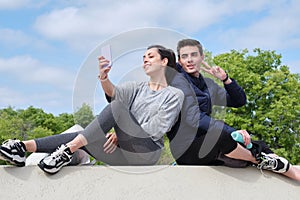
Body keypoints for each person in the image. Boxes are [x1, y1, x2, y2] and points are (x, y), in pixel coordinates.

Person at [0, 45, 184, 174]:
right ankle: (22, 148)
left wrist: (122, 135)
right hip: (121, 156)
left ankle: (67, 150)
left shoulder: (174, 94)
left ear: (164, 62)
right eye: (143, 58)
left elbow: (156, 128)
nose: (145, 61)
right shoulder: (137, 87)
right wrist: (104, 77)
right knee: (85, 135)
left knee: (115, 110)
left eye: (150, 57)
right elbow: (114, 94)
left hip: (146, 154)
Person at [166, 38, 300, 181]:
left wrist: (225, 79)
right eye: (184, 56)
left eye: (194, 55)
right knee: (222, 136)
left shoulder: (208, 85)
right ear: (179, 61)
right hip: (186, 148)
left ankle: (293, 174)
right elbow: (195, 118)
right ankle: (260, 160)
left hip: (207, 144)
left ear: (202, 57)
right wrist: (232, 132)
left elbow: (239, 101)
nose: (189, 60)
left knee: (259, 145)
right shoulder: (178, 82)